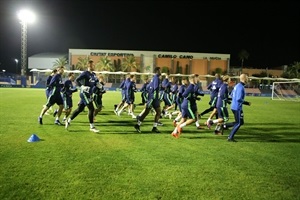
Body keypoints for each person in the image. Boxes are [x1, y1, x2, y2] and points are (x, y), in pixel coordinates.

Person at [65, 59, 100, 133]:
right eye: (91, 65)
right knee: (91, 109)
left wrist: (99, 85)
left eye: (93, 65)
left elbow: (96, 83)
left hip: (89, 94)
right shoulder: (85, 73)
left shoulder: (93, 74)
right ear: (88, 65)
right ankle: (92, 126)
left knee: (80, 109)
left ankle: (68, 120)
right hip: (84, 93)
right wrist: (82, 86)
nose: (93, 66)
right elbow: (76, 80)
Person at [134, 67, 162, 133]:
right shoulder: (156, 78)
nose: (161, 72)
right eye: (160, 70)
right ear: (157, 71)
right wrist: (155, 97)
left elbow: (148, 87)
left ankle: (154, 127)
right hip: (153, 98)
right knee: (150, 112)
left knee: (157, 112)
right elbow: (156, 88)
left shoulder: (154, 78)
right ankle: (138, 125)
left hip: (153, 98)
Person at [227, 74, 251, 142]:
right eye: (247, 78)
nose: (248, 79)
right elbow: (238, 99)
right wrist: (246, 102)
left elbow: (231, 95)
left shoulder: (237, 85)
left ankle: (225, 126)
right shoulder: (241, 87)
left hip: (234, 106)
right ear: (244, 79)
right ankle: (230, 137)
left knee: (240, 122)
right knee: (238, 123)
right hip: (237, 107)